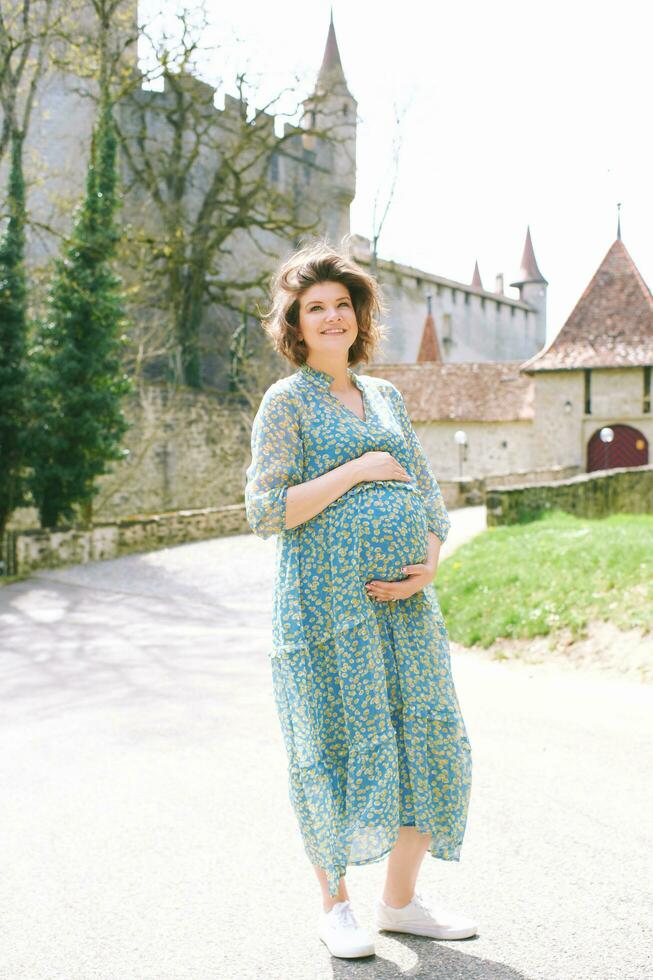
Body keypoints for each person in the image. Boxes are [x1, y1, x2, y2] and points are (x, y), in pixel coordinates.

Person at [245, 241, 476, 959]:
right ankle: (335, 907)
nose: (332, 317)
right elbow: (263, 510)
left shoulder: (385, 396)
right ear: (295, 324)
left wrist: (429, 561)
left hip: (404, 608)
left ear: (358, 315)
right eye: (315, 308)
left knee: (431, 741)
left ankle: (400, 904)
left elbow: (428, 492)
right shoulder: (286, 402)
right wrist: (354, 471)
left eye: (341, 304)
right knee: (332, 747)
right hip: (323, 615)